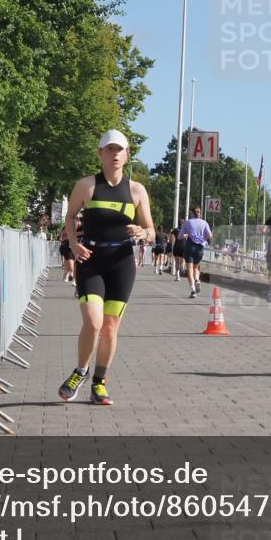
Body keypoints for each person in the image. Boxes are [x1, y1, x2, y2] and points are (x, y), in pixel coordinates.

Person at [57, 130, 155, 406]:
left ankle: (99, 383)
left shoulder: (136, 190)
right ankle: (80, 372)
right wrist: (74, 243)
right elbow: (70, 216)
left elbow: (151, 231)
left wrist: (143, 233)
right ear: (100, 153)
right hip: (91, 260)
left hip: (121, 263)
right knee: (93, 323)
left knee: (110, 328)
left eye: (119, 149)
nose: (114, 154)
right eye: (109, 149)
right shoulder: (86, 186)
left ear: (127, 155)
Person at [179, 206, 212, 298]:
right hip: (200, 248)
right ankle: (197, 279)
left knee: (189, 269)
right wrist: (202, 238)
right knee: (196, 267)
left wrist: (186, 234)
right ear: (199, 213)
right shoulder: (204, 223)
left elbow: (179, 236)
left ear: (192, 213)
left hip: (190, 246)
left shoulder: (187, 222)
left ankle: (193, 290)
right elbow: (210, 235)